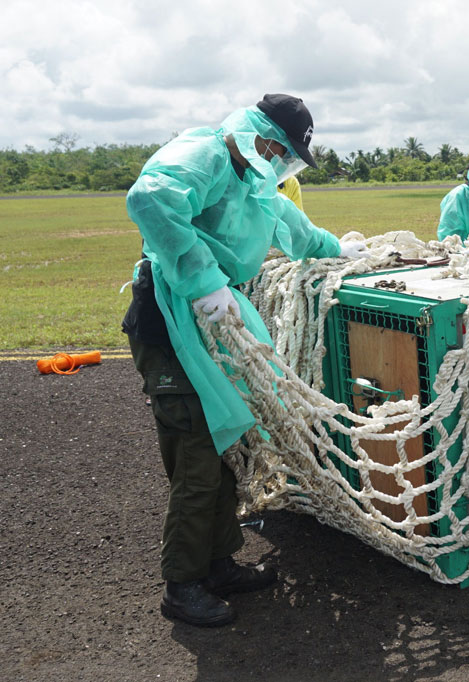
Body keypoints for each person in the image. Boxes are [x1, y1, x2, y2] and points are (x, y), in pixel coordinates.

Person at [122, 93, 367, 627]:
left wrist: (335, 249)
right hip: (174, 321)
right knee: (197, 453)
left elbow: (292, 226)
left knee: (228, 446)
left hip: (218, 321)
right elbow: (150, 200)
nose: (279, 160)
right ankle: (182, 584)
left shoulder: (253, 179)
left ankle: (217, 564)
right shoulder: (206, 153)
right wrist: (204, 279)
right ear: (259, 135)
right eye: (278, 148)